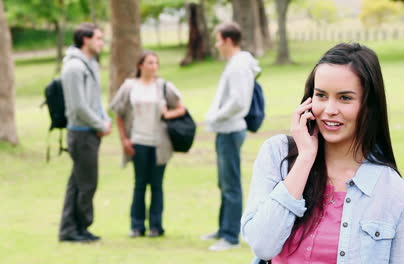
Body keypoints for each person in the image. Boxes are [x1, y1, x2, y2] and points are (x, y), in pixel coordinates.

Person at [241, 43, 404, 263]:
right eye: (321, 95)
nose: (329, 110)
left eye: (345, 98)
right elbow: (263, 246)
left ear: (369, 106)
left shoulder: (398, 197)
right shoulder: (277, 154)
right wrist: (305, 158)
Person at [110, 51, 186, 238]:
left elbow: (181, 108)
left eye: (156, 63)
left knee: (157, 185)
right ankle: (136, 225)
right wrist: (124, 139)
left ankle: (156, 226)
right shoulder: (130, 87)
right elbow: (119, 113)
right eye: (150, 63)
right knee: (140, 184)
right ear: (140, 65)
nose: (153, 67)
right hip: (138, 141)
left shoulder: (163, 87)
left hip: (159, 143)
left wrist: (168, 114)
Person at [202, 22, 261, 251]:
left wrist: (215, 116)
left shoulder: (238, 66)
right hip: (224, 130)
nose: (216, 45)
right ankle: (223, 228)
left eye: (218, 40)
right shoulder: (236, 64)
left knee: (231, 183)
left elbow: (238, 102)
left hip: (230, 129)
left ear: (227, 40)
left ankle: (230, 236)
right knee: (224, 182)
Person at [58, 23, 112, 242]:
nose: (101, 43)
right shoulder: (74, 68)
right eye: (98, 38)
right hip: (81, 133)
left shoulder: (90, 64)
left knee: (78, 182)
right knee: (86, 183)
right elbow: (78, 106)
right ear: (85, 39)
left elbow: (95, 100)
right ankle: (77, 228)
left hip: (91, 130)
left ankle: (72, 228)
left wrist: (104, 120)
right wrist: (100, 125)